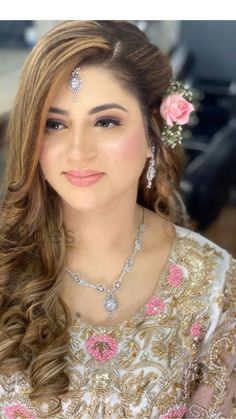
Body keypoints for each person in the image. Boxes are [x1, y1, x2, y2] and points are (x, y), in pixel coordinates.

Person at [0, 20, 235, 419]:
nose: (78, 151)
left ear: (153, 131)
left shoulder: (213, 285)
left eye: (105, 121)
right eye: (54, 124)